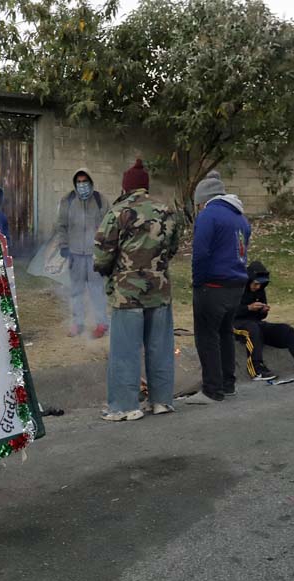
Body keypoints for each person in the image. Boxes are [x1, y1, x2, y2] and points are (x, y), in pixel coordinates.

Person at [94, 160, 181, 421]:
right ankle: (162, 401)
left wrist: (110, 271)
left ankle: (124, 406)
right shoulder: (166, 212)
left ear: (126, 186)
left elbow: (101, 254)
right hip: (160, 290)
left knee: (125, 350)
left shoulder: (118, 212)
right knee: (160, 348)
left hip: (127, 294)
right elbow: (173, 248)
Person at [186, 171, 251, 404]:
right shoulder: (240, 217)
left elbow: (200, 253)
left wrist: (197, 281)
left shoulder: (208, 216)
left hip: (212, 286)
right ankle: (228, 383)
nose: (198, 208)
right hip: (237, 285)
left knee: (207, 337)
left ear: (203, 200)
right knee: (225, 333)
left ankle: (212, 389)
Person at [233, 260, 294, 379]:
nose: (258, 287)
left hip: (255, 323)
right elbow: (228, 312)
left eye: (261, 284)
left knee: (285, 330)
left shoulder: (260, 290)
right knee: (253, 330)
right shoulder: (236, 288)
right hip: (235, 325)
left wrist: (262, 311)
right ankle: (256, 370)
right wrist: (248, 308)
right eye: (255, 284)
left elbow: (260, 317)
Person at [55, 167, 110, 338]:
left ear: (91, 182)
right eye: (78, 182)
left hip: (95, 255)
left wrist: (106, 250)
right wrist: (64, 245)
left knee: (97, 290)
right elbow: (61, 225)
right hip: (75, 254)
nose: (82, 185)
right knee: (76, 290)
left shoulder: (101, 200)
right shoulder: (68, 200)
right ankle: (77, 323)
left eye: (85, 181)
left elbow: (109, 226)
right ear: (75, 184)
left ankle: (102, 324)